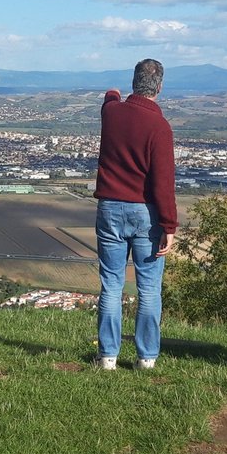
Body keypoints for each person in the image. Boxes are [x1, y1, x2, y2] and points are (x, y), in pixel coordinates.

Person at [93, 58, 177, 370]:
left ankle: (108, 356)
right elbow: (163, 182)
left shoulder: (112, 114)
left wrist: (113, 92)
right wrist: (169, 224)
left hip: (111, 209)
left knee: (112, 284)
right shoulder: (160, 127)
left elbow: (109, 98)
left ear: (134, 83)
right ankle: (146, 358)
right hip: (147, 214)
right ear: (160, 87)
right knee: (149, 288)